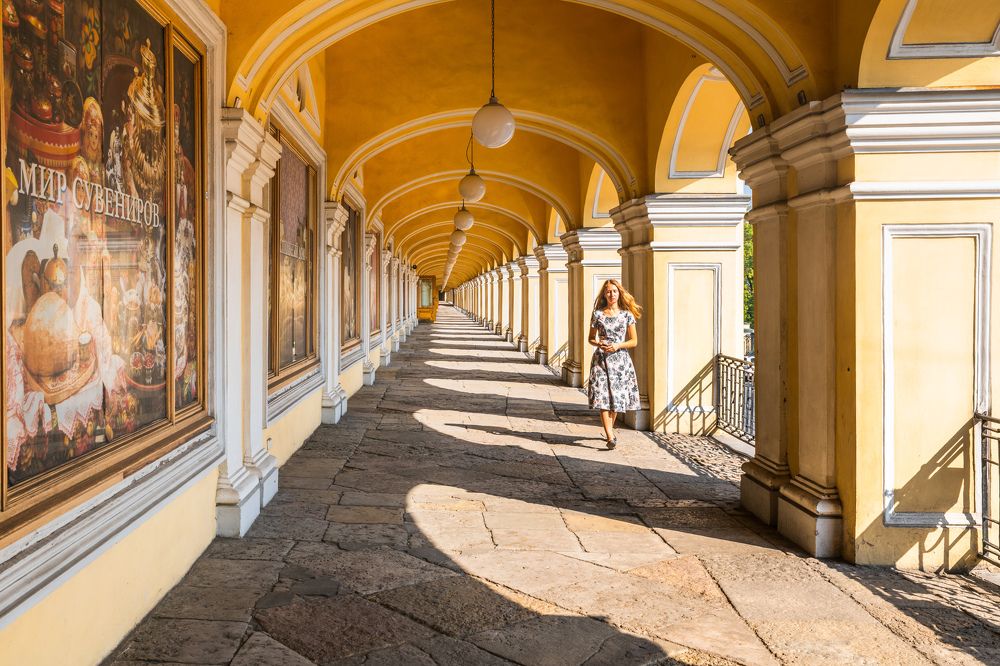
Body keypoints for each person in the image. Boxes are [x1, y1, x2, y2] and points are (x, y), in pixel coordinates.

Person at [587, 279, 642, 449]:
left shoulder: (627, 315)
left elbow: (634, 341)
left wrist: (617, 345)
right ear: (604, 294)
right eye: (608, 291)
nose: (611, 294)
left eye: (614, 291)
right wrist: (599, 344)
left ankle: (609, 429)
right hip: (601, 360)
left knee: (616, 398)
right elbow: (590, 338)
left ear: (619, 293)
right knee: (602, 395)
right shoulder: (598, 314)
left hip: (620, 362)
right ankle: (610, 436)